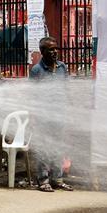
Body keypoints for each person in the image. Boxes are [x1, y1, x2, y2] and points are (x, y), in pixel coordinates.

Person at [29, 36, 73, 192]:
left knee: (58, 147)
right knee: (44, 148)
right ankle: (43, 180)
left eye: (56, 48)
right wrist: (33, 117)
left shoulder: (62, 67)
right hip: (43, 116)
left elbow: (66, 89)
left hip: (59, 114)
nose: (55, 52)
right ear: (42, 52)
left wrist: (69, 110)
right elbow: (32, 94)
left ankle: (57, 179)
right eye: (51, 49)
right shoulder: (36, 70)